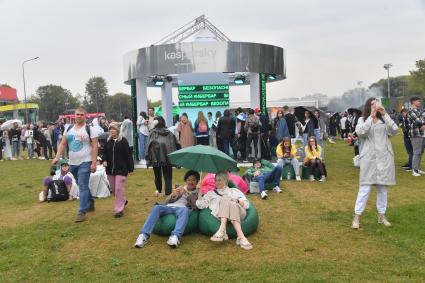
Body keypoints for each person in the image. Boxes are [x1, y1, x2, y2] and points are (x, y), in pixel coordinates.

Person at [351, 97, 398, 229]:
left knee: (383, 189)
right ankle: (357, 217)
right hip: (369, 158)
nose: (374, 106)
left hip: (384, 158)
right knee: (365, 188)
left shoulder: (384, 120)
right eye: (372, 104)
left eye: (376, 104)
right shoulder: (362, 120)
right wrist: (370, 118)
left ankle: (382, 215)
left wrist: (385, 114)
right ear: (368, 107)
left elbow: (395, 130)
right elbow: (360, 133)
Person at [52, 106, 99, 223]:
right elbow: (63, 144)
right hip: (72, 163)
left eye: (81, 115)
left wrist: (94, 163)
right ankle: (90, 202)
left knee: (82, 185)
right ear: (74, 115)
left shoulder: (90, 129)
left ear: (86, 116)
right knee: (81, 184)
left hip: (85, 162)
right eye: (77, 114)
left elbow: (94, 147)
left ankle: (82, 211)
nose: (79, 116)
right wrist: (57, 156)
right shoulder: (68, 128)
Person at [134, 170, 200, 248]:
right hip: (169, 206)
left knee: (184, 210)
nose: (190, 182)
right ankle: (143, 235)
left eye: (193, 180)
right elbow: (166, 201)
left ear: (197, 181)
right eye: (188, 180)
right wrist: (173, 195)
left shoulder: (198, 192)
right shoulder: (181, 188)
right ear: (186, 180)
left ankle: (175, 236)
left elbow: (196, 206)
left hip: (182, 209)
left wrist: (186, 193)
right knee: (157, 207)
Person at [196, 172, 253, 250]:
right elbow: (201, 205)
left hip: (239, 214)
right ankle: (241, 237)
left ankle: (222, 230)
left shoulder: (234, 191)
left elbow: (247, 204)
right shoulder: (211, 193)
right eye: (215, 180)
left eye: (220, 180)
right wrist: (199, 192)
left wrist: (236, 201)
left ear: (226, 181)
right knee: (227, 200)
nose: (217, 182)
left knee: (229, 200)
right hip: (220, 216)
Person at [102, 123, 133, 217]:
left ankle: (118, 210)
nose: (111, 131)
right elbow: (105, 154)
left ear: (117, 130)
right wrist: (104, 160)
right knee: (114, 189)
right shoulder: (108, 141)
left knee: (118, 188)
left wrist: (130, 168)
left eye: (113, 129)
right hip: (110, 170)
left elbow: (128, 155)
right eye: (110, 129)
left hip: (121, 169)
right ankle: (122, 200)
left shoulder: (123, 141)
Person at [146, 116, 180, 196]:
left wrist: (148, 157)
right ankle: (168, 192)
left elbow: (148, 146)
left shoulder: (152, 132)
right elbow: (174, 145)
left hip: (156, 157)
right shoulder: (169, 133)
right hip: (167, 157)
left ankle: (159, 190)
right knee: (168, 175)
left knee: (157, 175)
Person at [407, 96, 425, 177]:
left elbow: (422, 119)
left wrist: (423, 124)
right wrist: (422, 124)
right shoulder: (411, 110)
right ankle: (414, 170)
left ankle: (417, 168)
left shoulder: (419, 110)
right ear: (413, 102)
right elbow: (417, 120)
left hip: (421, 133)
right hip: (415, 134)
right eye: (418, 101)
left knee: (420, 152)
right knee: (416, 152)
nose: (419, 103)